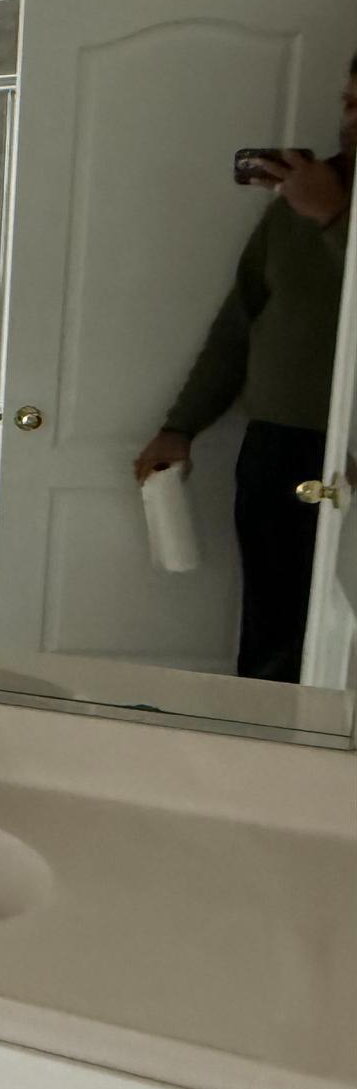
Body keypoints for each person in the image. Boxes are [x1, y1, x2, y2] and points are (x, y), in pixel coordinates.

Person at [133, 57, 357, 683]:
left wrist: (334, 218)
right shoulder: (299, 200)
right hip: (280, 450)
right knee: (272, 634)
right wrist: (181, 425)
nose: (349, 120)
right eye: (348, 103)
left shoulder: (319, 203)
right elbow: (240, 323)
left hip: (349, 452)